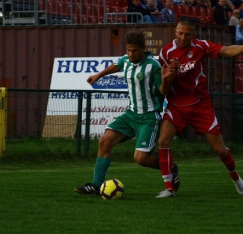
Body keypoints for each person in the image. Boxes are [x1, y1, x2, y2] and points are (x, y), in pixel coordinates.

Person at [74, 30, 180, 196]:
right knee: (104, 142)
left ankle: (170, 167)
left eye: (134, 50)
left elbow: (163, 91)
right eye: (128, 50)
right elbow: (117, 65)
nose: (130, 54)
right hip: (130, 115)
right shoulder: (126, 60)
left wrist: (166, 79)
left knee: (141, 158)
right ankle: (96, 185)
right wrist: (98, 75)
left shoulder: (153, 65)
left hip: (148, 118)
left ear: (143, 48)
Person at [156, 19, 243, 198]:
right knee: (163, 141)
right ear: (176, 31)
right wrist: (167, 78)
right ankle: (168, 189)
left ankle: (237, 180)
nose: (182, 37)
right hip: (176, 105)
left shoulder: (200, 46)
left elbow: (227, 51)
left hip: (200, 105)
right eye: (180, 33)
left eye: (187, 34)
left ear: (193, 35)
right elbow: (163, 90)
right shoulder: (166, 52)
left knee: (220, 150)